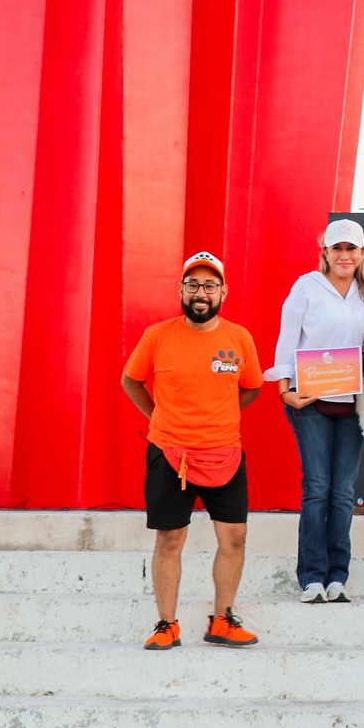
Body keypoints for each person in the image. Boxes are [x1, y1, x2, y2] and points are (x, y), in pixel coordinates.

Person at [121, 251, 263, 650]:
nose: (201, 293)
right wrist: (159, 417)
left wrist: (221, 415)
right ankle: (166, 624)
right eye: (193, 285)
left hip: (225, 453)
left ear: (223, 292)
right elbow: (131, 381)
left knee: (234, 538)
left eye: (209, 285)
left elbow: (252, 387)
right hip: (170, 454)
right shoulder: (157, 335)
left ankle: (223, 620)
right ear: (181, 290)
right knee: (169, 539)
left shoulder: (239, 338)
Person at [265, 217, 364, 604]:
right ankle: (312, 576)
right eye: (337, 248)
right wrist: (285, 391)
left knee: (343, 492)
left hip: (353, 403)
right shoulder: (306, 287)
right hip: (309, 401)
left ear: (362, 253)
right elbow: (287, 339)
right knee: (317, 488)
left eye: (351, 249)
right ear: (325, 252)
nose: (344, 255)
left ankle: (337, 577)